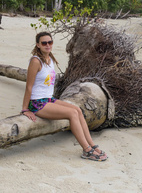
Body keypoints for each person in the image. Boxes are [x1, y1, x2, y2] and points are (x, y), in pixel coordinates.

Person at [21, 31, 107, 161]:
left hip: (49, 99)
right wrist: (25, 109)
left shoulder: (49, 59)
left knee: (77, 110)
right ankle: (86, 150)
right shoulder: (35, 61)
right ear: (38, 45)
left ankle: (92, 145)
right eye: (44, 43)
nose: (47, 45)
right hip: (37, 103)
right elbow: (29, 86)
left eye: (50, 42)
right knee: (72, 114)